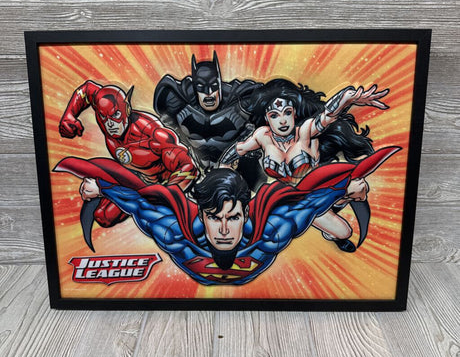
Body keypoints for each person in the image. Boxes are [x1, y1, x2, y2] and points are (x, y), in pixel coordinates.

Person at [57, 147, 399, 285]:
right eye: (214, 218)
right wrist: (101, 187)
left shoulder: (272, 230)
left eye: (232, 218)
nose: (223, 229)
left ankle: (329, 226)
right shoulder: (174, 230)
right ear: (200, 214)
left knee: (342, 231)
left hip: (275, 212)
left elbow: (310, 199)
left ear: (245, 213)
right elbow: (135, 198)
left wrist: (347, 188)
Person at [220, 79, 390, 252]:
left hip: (315, 196)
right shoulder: (263, 136)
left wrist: (346, 98)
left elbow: (327, 115)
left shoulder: (305, 132)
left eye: (287, 113)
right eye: (274, 115)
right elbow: (238, 149)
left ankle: (335, 210)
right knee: (254, 232)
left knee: (346, 228)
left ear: (294, 113)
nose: (282, 121)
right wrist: (221, 169)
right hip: (284, 201)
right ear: (266, 118)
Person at [58, 80, 197, 228]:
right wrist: (69, 115)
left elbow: (188, 167)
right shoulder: (104, 108)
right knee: (103, 216)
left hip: (161, 187)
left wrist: (166, 197)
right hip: (134, 179)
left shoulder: (152, 135)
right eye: (104, 117)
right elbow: (86, 90)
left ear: (127, 109)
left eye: (115, 115)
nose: (110, 124)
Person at [153, 51, 266, 190]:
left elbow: (266, 99)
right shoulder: (176, 97)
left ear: (219, 83)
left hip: (237, 171)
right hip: (195, 172)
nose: (208, 93)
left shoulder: (239, 97)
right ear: (195, 87)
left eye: (213, 86)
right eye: (201, 87)